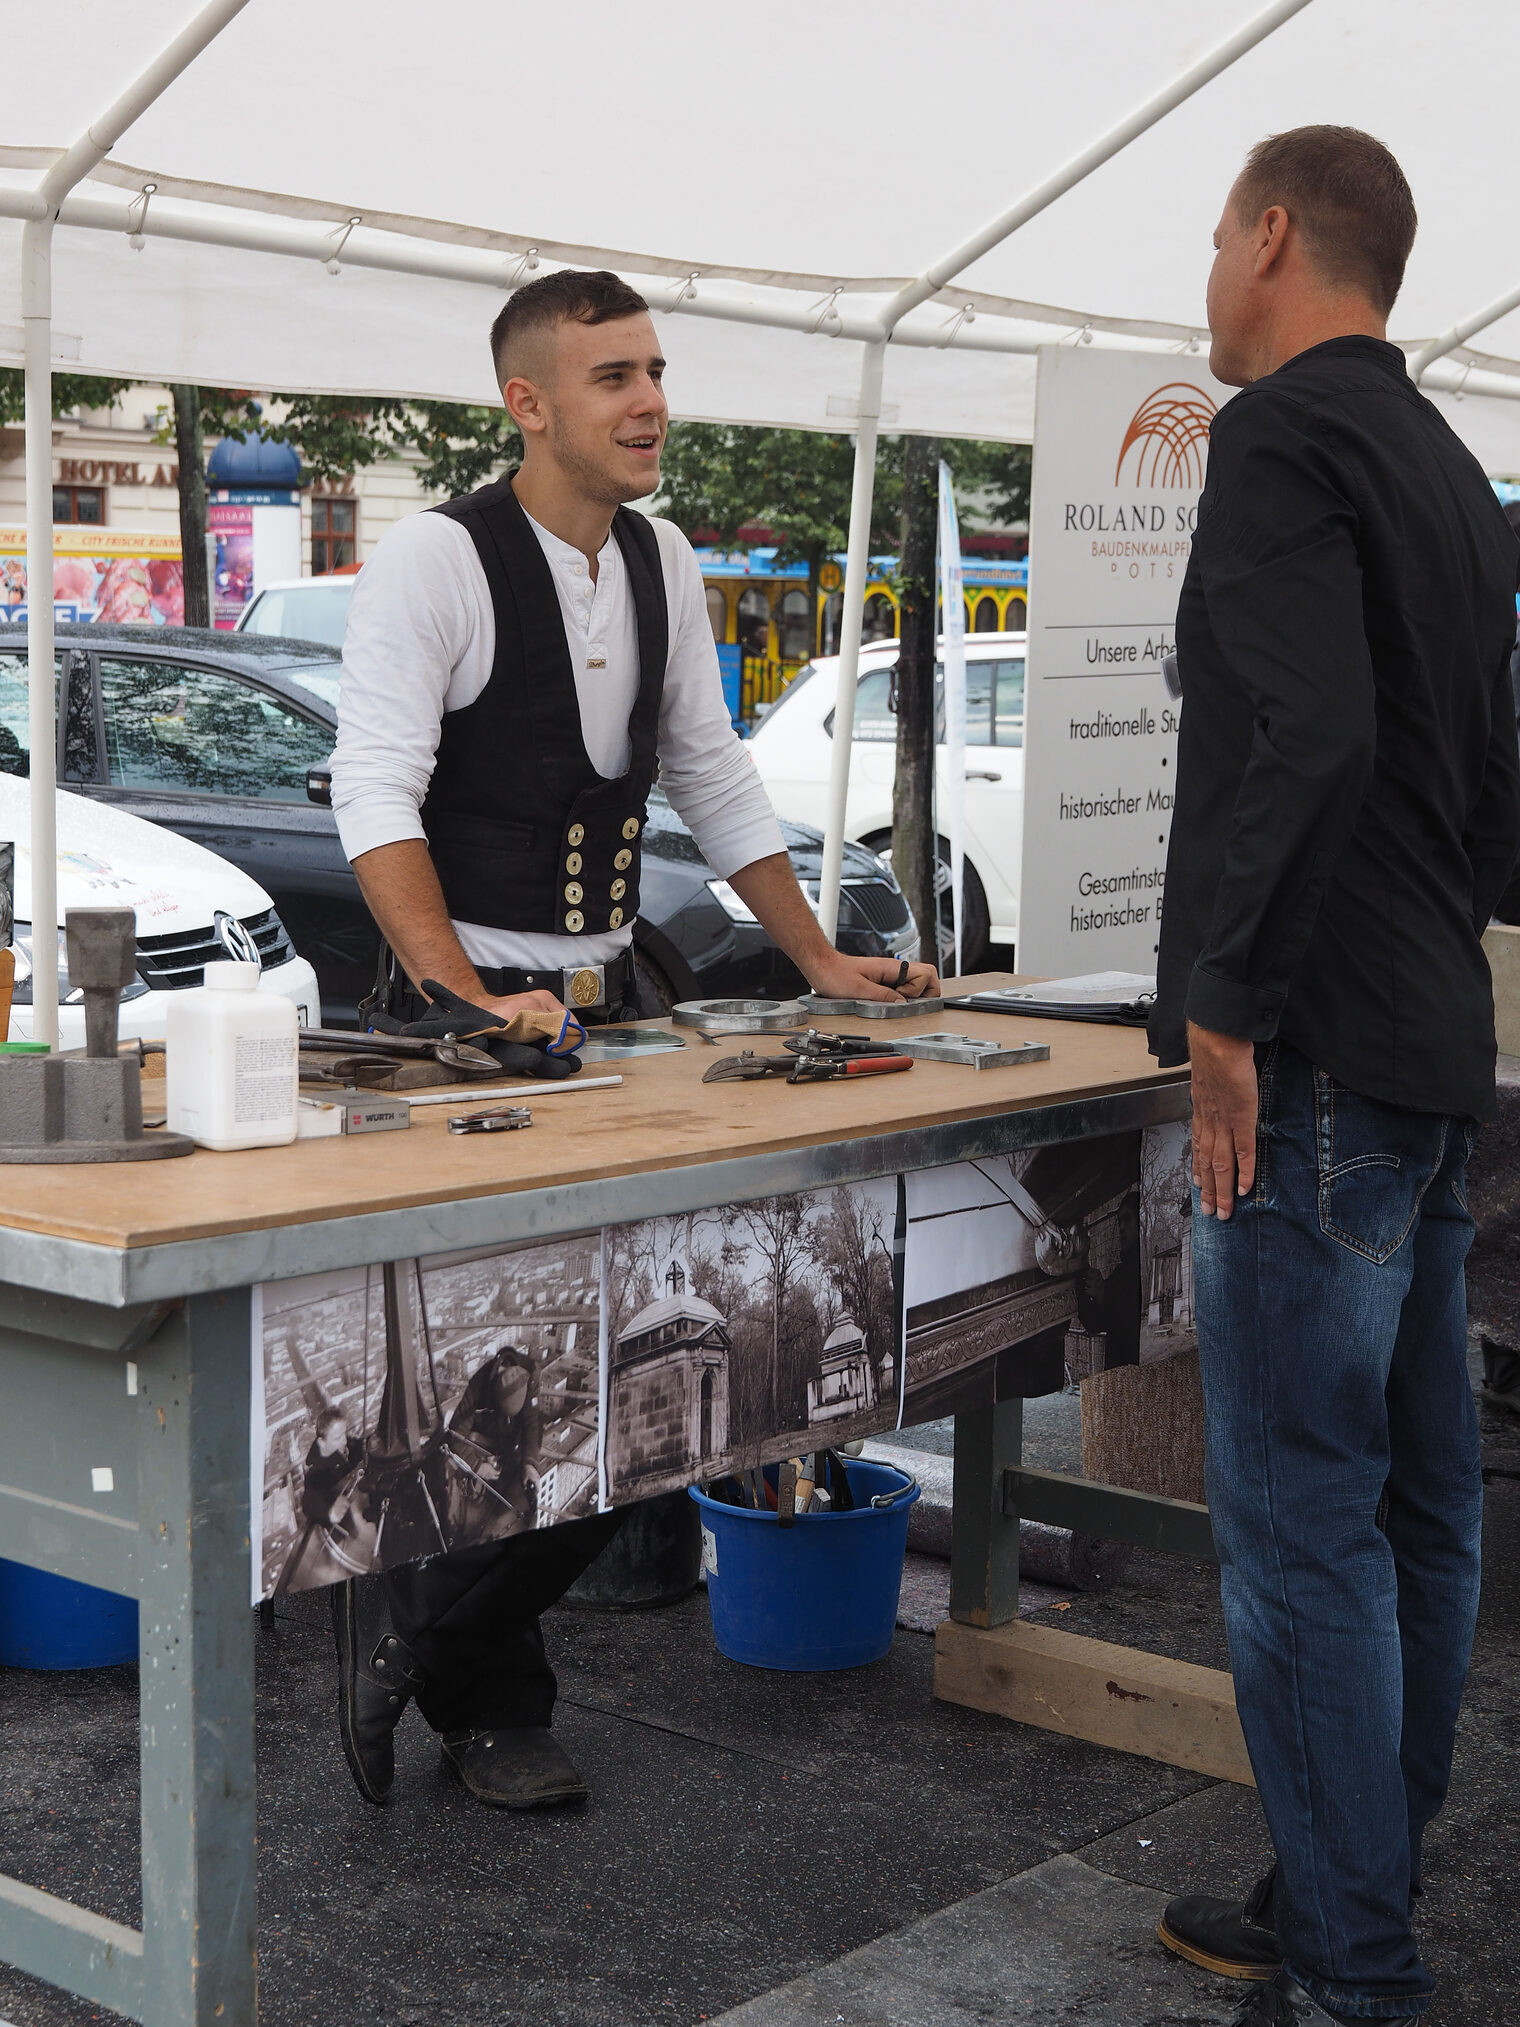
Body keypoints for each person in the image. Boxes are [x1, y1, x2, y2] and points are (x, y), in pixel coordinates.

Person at [327, 267, 939, 1813]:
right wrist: (469, 997)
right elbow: (372, 797)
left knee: (673, 1367)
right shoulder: (435, 559)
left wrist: (819, 962)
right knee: (503, 1380)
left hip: (611, 1013)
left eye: (656, 367)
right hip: (460, 1031)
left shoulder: (661, 557)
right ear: (528, 404)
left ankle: (420, 1654)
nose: (651, 398)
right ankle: (484, 1701)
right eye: (613, 376)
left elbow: (716, 776)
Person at [1148, 128, 1520, 2025]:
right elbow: (1492, 799)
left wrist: (1223, 1008)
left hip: (1304, 1063)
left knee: (1305, 1535)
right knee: (1412, 1517)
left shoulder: (1284, 434)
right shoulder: (1450, 462)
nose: (1208, 274)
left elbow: (1305, 733)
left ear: (1277, 234)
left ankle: (1356, 1971)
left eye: (1219, 237)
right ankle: (1336, 1898)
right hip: (1426, 1049)